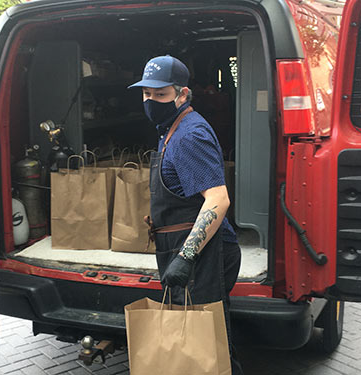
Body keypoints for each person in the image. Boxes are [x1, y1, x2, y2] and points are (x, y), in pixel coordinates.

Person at [129, 55, 244, 374]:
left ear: (182, 94)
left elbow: (218, 200)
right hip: (182, 249)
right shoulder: (169, 128)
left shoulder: (190, 135)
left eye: (160, 94)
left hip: (203, 257)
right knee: (205, 340)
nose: (151, 101)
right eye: (146, 94)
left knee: (206, 343)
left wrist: (186, 256)